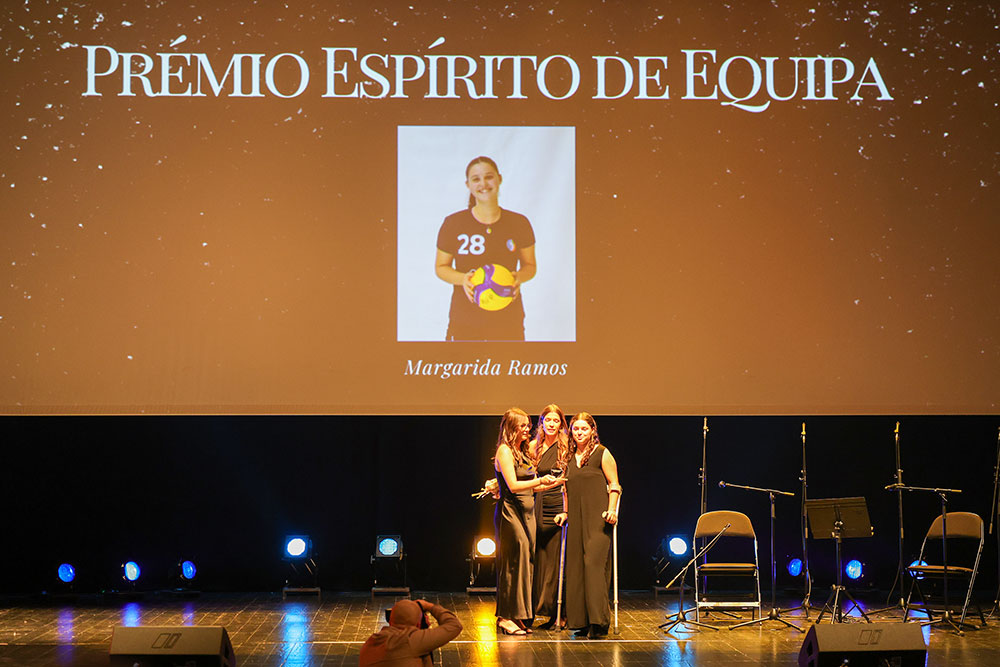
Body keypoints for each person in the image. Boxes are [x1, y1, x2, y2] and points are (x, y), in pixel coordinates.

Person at [435, 156, 537, 341]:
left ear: (499, 179)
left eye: (489, 177)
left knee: (508, 361)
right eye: (476, 179)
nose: (483, 184)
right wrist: (463, 279)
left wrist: (518, 277)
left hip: (508, 318)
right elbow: (441, 267)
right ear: (468, 185)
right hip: (464, 319)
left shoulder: (519, 223)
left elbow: (530, 266)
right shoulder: (453, 223)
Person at [494, 407, 562, 635]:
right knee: (513, 564)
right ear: (511, 427)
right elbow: (513, 486)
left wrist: (552, 483)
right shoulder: (504, 450)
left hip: (527, 511)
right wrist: (540, 481)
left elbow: (531, 486)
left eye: (528, 425)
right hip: (511, 512)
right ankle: (505, 617)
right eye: (522, 425)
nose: (527, 429)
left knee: (525, 564)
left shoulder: (520, 451)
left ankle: (518, 615)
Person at [559, 412, 622, 638]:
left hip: (598, 517)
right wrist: (565, 512)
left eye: (584, 428)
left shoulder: (602, 453)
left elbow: (614, 485)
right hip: (575, 518)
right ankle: (581, 621)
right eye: (576, 429)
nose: (579, 432)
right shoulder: (568, 457)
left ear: (592, 430)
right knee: (575, 567)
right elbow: (565, 489)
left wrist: (612, 510)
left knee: (593, 565)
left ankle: (599, 622)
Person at [528, 404, 570, 629]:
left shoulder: (566, 447)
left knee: (556, 563)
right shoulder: (533, 446)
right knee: (538, 561)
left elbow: (569, 483)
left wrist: (566, 510)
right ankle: (534, 611)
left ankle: (559, 615)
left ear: (561, 423)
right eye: (548, 420)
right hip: (537, 503)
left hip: (557, 505)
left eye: (556, 420)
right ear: (541, 422)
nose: (552, 424)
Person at [359, 598, 462, 666]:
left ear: (390, 620)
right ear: (418, 624)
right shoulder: (411, 641)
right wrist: (430, 606)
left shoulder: (369, 643)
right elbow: (455, 625)